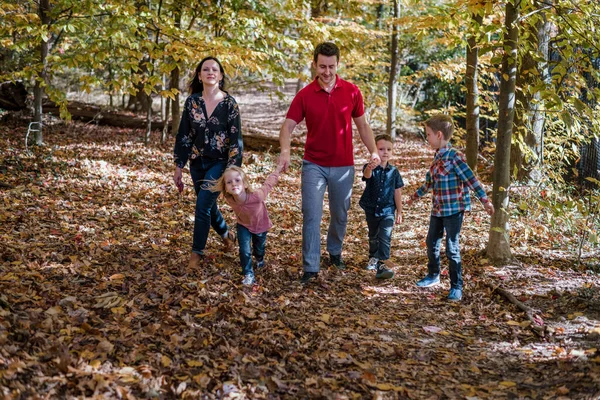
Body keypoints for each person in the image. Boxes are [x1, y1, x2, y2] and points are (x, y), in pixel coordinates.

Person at [278, 42, 381, 284]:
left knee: (340, 214)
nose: (326, 71)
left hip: (344, 166)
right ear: (314, 64)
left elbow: (363, 126)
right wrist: (285, 151)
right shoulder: (304, 95)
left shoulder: (352, 91)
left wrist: (374, 151)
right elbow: (287, 126)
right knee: (311, 214)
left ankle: (334, 252)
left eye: (331, 66)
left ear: (338, 65)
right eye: (322, 66)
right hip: (313, 164)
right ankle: (311, 267)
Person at [407, 114, 494, 301]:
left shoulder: (455, 157)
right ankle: (433, 275)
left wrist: (485, 201)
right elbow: (428, 184)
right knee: (431, 242)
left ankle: (456, 286)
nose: (427, 138)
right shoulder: (436, 157)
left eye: (428, 134)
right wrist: (414, 197)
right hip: (437, 209)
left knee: (451, 247)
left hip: (454, 210)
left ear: (439, 135)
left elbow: (471, 180)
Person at [173, 56, 243, 269]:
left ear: (220, 75)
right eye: (206, 69)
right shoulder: (192, 102)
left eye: (215, 69)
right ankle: (226, 235)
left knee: (202, 205)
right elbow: (184, 135)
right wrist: (179, 166)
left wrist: (232, 169)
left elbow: (236, 138)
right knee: (208, 206)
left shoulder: (229, 104)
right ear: (199, 75)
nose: (210, 72)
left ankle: (196, 253)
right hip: (197, 163)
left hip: (220, 164)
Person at [205, 162, 284, 286]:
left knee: (259, 249)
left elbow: (268, 184)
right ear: (225, 187)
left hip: (260, 226)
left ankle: (259, 258)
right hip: (243, 225)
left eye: (237, 180)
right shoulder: (230, 198)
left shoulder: (257, 196)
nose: (233, 184)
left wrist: (278, 169)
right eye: (229, 182)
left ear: (245, 184)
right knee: (244, 250)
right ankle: (248, 274)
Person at [358, 134, 404, 280]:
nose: (385, 152)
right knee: (373, 236)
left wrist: (399, 211)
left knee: (385, 236)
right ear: (375, 151)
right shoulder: (370, 167)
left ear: (392, 152)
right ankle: (373, 257)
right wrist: (371, 166)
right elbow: (367, 175)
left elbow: (397, 191)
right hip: (371, 208)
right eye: (381, 149)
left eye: (388, 149)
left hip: (388, 210)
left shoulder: (394, 172)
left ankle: (382, 264)